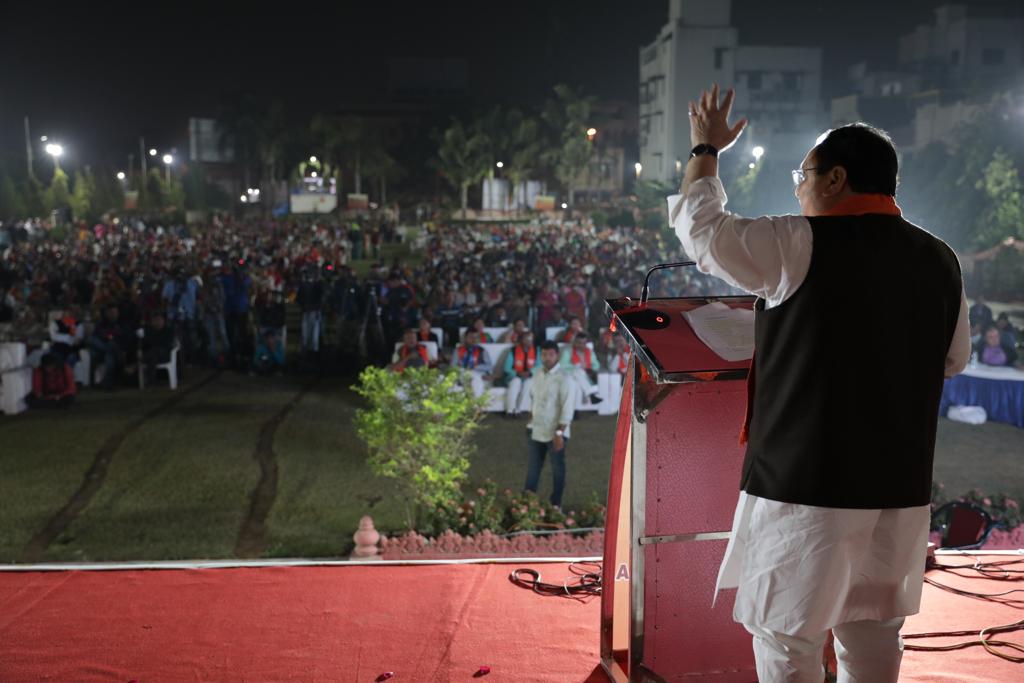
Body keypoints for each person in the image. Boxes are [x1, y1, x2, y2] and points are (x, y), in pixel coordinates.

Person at [670, 85, 970, 682]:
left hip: (807, 485)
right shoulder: (941, 259)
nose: (797, 186)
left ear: (835, 180)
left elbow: (702, 231)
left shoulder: (798, 242)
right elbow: (953, 359)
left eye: (801, 174)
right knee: (873, 631)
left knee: (787, 634)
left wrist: (705, 147)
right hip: (896, 485)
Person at [524, 340, 575, 507]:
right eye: (544, 354)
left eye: (550, 354)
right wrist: (530, 418)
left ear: (557, 356)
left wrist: (560, 433)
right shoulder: (537, 373)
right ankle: (526, 504)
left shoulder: (565, 379)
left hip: (555, 432)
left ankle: (556, 504)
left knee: (557, 470)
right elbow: (533, 398)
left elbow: (567, 408)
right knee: (533, 469)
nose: (547, 358)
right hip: (536, 429)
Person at [88, 305, 127, 389]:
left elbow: (122, 337)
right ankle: (105, 382)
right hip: (103, 348)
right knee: (95, 341)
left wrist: (109, 337)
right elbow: (98, 336)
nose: (113, 314)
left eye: (114, 312)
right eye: (110, 312)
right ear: (106, 313)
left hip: (117, 350)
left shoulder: (121, 323)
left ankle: (106, 382)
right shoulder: (102, 323)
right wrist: (107, 338)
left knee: (109, 354)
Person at [559, 333, 602, 405]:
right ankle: (591, 395)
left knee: (580, 372)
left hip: (587, 375)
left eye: (584, 343)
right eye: (579, 343)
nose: (581, 345)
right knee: (578, 371)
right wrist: (576, 366)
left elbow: (597, 365)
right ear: (575, 342)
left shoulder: (589, 351)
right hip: (570, 374)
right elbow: (562, 365)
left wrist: (591, 368)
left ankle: (590, 396)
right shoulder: (568, 351)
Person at [504, 331, 538, 416]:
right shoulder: (513, 350)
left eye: (530, 339)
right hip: (514, 376)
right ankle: (510, 410)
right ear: (520, 340)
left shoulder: (537, 351)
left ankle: (519, 409)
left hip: (529, 376)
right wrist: (517, 373)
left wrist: (530, 372)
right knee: (516, 382)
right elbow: (506, 367)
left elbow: (539, 366)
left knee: (529, 383)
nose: (528, 341)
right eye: (526, 339)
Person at [140, 313, 176, 387]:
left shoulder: (169, 331)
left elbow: (167, 345)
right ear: (152, 322)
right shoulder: (149, 331)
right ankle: (151, 383)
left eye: (159, 320)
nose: (157, 322)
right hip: (152, 355)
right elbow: (145, 344)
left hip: (165, 355)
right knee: (153, 357)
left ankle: (136, 364)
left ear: (163, 321)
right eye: (155, 321)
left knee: (155, 351)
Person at [455, 330, 492, 397]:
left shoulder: (482, 350)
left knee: (475, 377)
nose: (474, 340)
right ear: (465, 338)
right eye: (471, 337)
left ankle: (473, 402)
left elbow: (489, 366)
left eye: (476, 337)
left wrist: (475, 367)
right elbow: (452, 366)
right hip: (462, 373)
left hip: (477, 372)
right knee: (469, 375)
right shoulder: (458, 350)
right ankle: (475, 404)